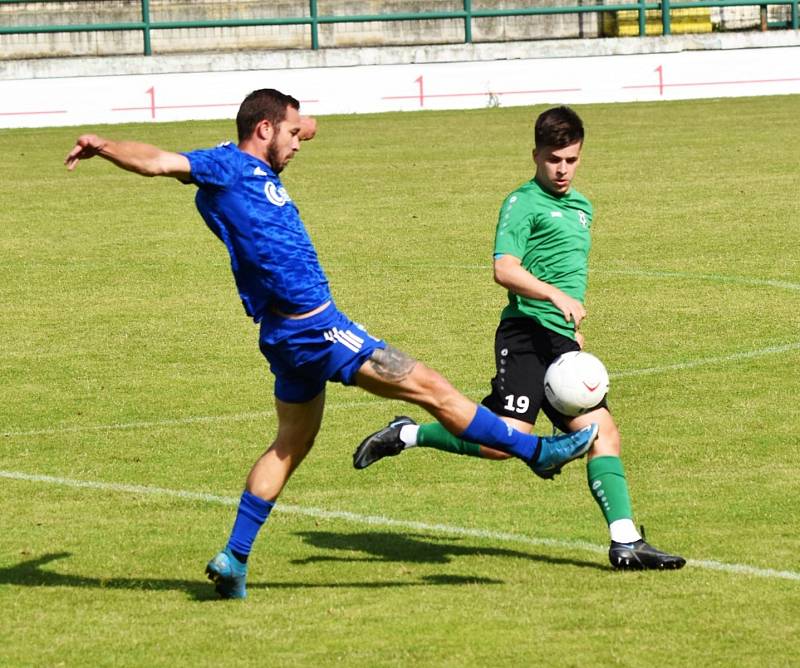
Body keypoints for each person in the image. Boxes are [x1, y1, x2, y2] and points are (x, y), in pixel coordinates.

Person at [64, 88, 600, 599]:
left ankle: (234, 557)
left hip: (281, 332)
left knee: (291, 443)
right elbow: (157, 160)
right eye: (292, 136)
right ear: (264, 129)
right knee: (431, 388)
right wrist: (104, 146)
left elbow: (291, 127)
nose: (299, 145)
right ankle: (537, 452)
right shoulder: (224, 166)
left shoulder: (259, 157)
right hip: (316, 325)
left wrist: (301, 125)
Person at [353, 106, 685, 571]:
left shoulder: (584, 207)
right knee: (503, 443)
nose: (563, 169)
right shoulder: (521, 202)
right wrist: (554, 298)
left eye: (571, 159)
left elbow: (567, 271)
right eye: (554, 159)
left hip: (560, 340)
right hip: (525, 334)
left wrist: (570, 327)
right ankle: (409, 433)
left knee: (603, 433)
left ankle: (625, 541)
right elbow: (503, 269)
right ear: (536, 155)